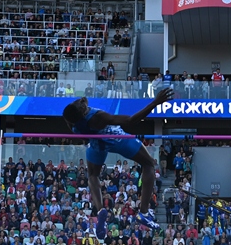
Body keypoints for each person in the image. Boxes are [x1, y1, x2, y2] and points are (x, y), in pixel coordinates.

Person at [62, 87, 174, 230]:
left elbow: (76, 130)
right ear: (84, 111)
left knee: (93, 175)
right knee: (149, 164)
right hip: (117, 139)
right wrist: (155, 103)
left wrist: (85, 139)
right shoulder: (99, 117)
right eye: (82, 103)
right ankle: (143, 212)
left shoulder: (71, 120)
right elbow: (131, 121)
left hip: (96, 144)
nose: (83, 100)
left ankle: (100, 210)